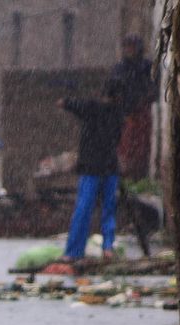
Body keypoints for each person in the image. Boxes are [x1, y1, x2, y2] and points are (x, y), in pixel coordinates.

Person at [58, 79, 126, 262]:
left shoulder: (92, 108)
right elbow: (117, 139)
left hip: (91, 169)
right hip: (109, 168)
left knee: (83, 208)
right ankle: (108, 248)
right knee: (108, 209)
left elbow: (72, 104)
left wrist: (64, 102)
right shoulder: (118, 115)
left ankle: (73, 252)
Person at [112, 34, 155, 181]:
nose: (129, 49)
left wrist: (141, 100)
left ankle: (138, 177)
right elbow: (114, 89)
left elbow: (153, 89)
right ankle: (124, 178)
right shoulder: (120, 69)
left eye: (132, 46)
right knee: (124, 149)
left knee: (140, 149)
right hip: (123, 114)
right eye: (127, 46)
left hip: (141, 113)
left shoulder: (147, 67)